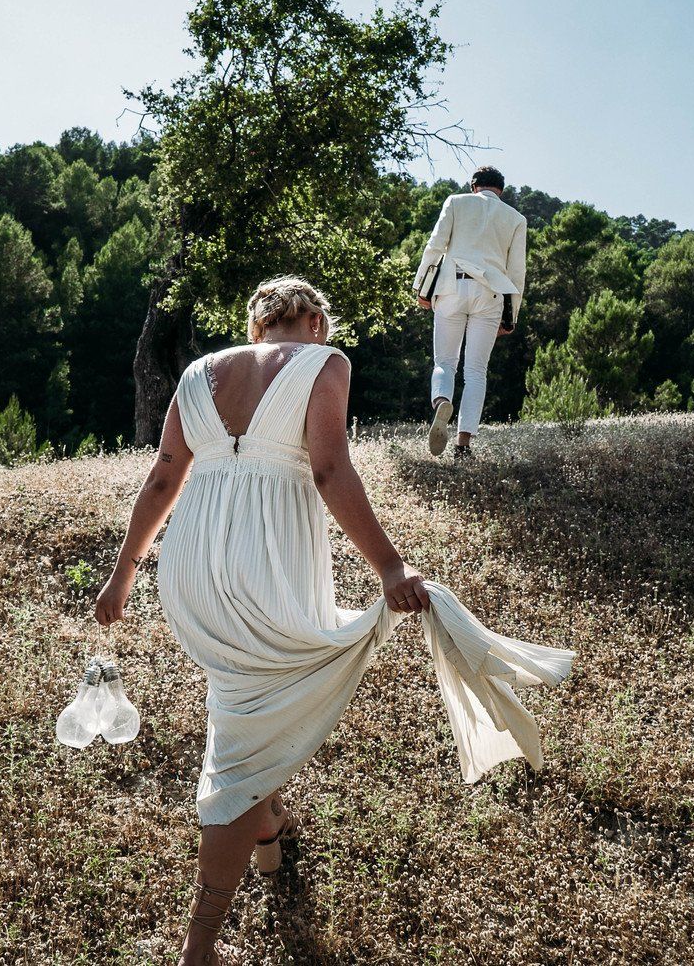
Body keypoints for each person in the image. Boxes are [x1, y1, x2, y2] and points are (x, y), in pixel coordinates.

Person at [94, 276, 573, 965]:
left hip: (191, 568)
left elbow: (165, 477)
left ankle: (268, 829)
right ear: (316, 321)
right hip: (267, 566)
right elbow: (327, 469)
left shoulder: (201, 371)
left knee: (250, 706)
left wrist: (123, 574)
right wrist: (390, 568)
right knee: (239, 748)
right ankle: (199, 946)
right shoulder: (325, 361)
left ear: (256, 326)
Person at [414, 165, 528, 459]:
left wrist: (422, 288)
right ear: (500, 190)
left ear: (474, 186)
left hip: (451, 287)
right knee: (476, 371)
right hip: (490, 294)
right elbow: (517, 272)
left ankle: (442, 401)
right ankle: (463, 445)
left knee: (445, 361)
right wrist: (511, 317)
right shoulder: (516, 219)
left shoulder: (455, 202)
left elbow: (434, 246)